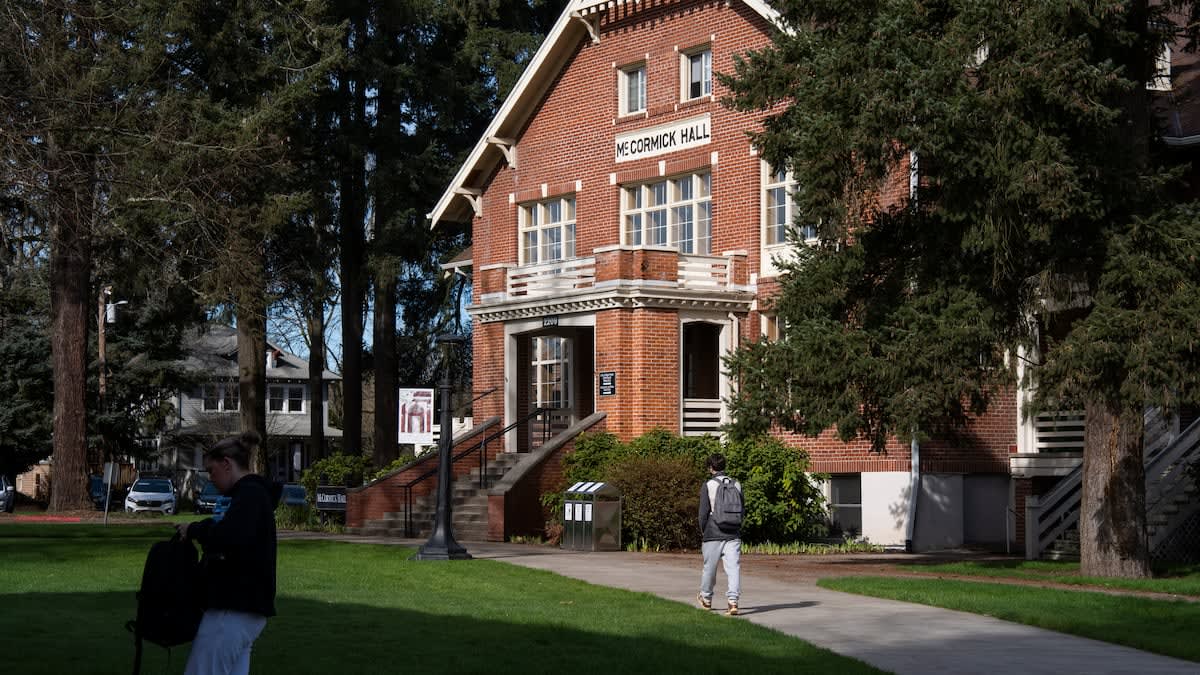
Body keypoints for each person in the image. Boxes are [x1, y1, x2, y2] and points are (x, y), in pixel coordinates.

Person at [176, 431, 281, 675]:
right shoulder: (251, 495)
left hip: (233, 609)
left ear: (227, 464)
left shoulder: (250, 496)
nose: (210, 478)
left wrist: (194, 529)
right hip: (245, 609)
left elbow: (229, 537)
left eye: (212, 471)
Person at [697, 452, 741, 616]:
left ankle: (706, 599)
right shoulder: (736, 484)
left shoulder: (708, 485)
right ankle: (733, 602)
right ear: (724, 466)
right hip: (733, 532)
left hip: (713, 531)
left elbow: (703, 512)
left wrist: (703, 530)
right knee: (733, 568)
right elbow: (742, 509)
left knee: (710, 568)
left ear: (710, 468)